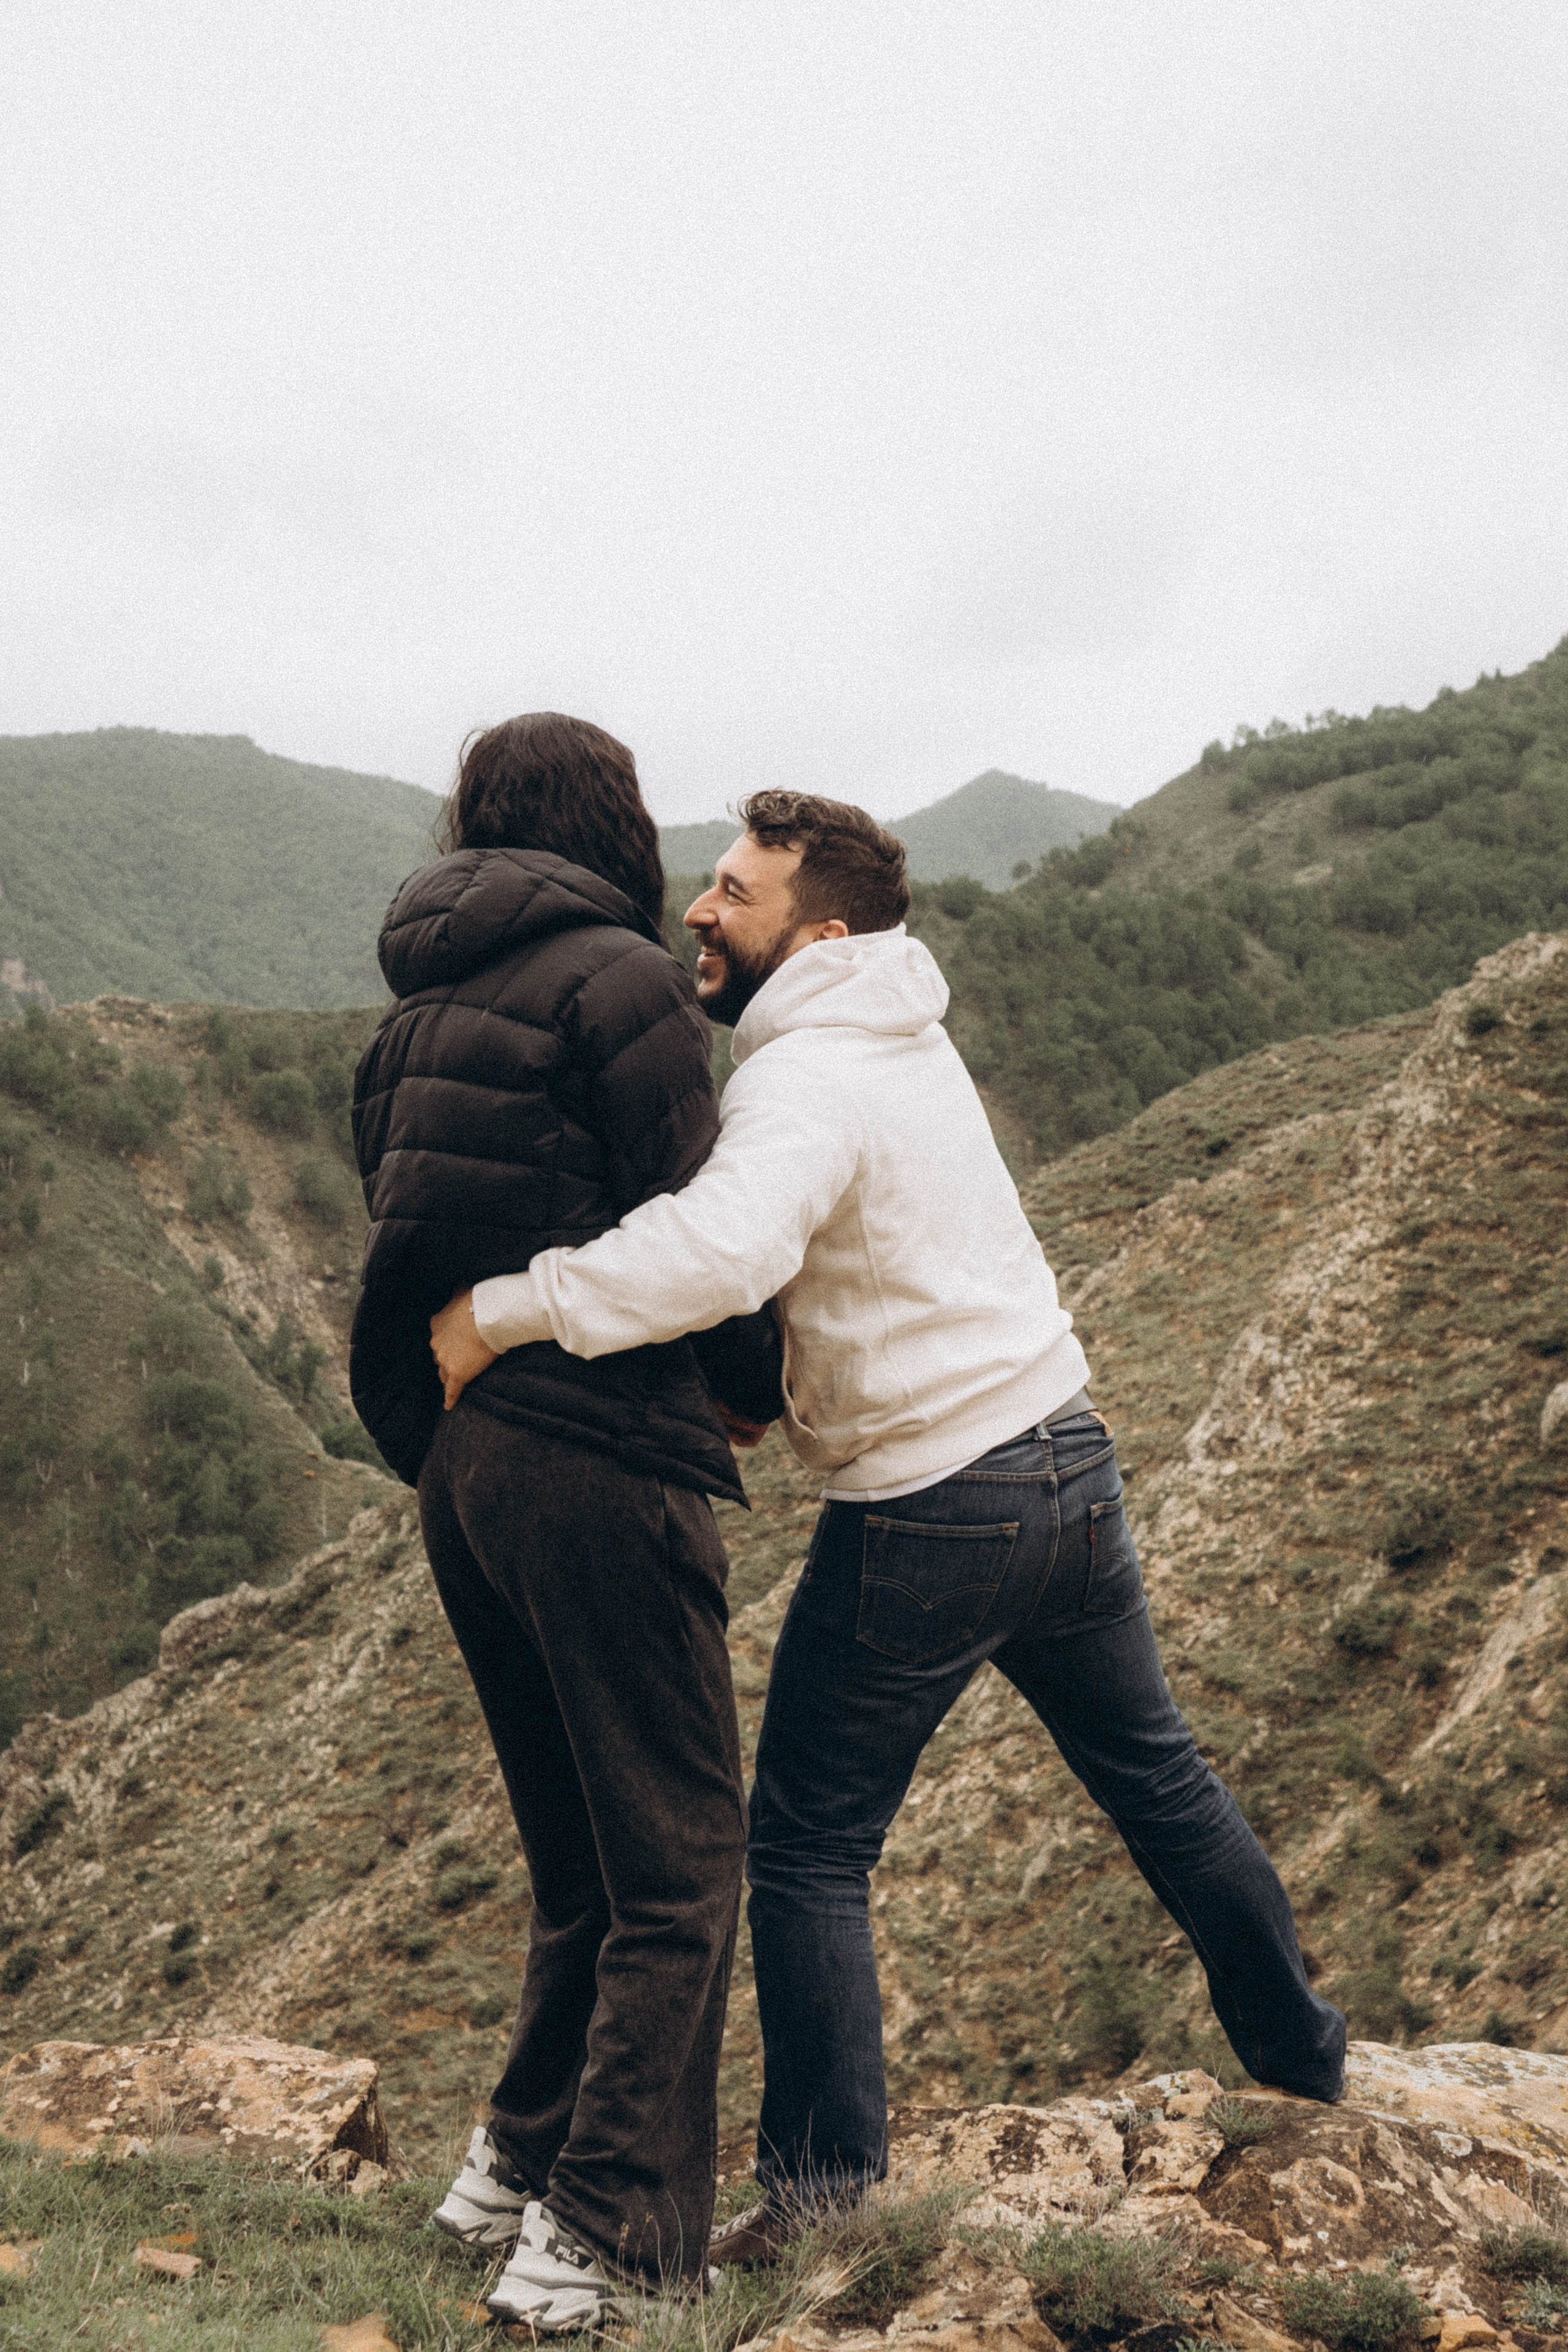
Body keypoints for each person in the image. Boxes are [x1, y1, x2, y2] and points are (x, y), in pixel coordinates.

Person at [429, 788, 1348, 2266]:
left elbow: (723, 1249)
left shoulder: (804, 1080)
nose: (700, 909)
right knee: (1157, 1780)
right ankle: (1304, 2056)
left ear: (823, 930)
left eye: (735, 891)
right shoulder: (904, 1037)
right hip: (1064, 1454)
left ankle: (815, 2204)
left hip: (934, 1503)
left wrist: (507, 1308)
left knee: (800, 1848)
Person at [350, 715, 783, 2329]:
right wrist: (747, 1389)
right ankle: (597, 2238)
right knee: (681, 1862)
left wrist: (447, 1439)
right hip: (606, 1455)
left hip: (469, 1469)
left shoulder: (408, 1020)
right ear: (617, 824)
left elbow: (400, 1268)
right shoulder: (626, 986)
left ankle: (507, 2178)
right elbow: (702, 1217)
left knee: (584, 1865)